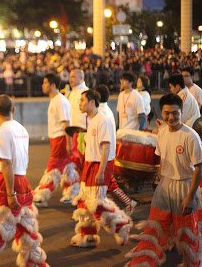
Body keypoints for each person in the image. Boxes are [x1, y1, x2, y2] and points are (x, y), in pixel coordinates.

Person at [0, 94, 47, 267]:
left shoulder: (1, 132)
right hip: (23, 183)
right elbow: (7, 157)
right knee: (27, 231)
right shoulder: (21, 130)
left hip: (6, 185)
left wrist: (10, 194)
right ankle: (34, 262)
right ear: (13, 109)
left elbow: (6, 163)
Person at [126, 93, 202, 266]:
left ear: (181, 112)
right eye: (167, 113)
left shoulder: (190, 136)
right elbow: (162, 159)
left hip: (185, 186)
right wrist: (159, 180)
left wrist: (190, 197)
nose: (171, 117)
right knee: (155, 225)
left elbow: (199, 167)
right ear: (161, 112)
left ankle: (192, 263)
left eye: (175, 113)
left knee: (187, 230)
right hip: (164, 186)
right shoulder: (161, 133)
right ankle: (146, 260)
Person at [71, 89, 132, 247]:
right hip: (90, 165)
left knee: (97, 203)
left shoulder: (102, 120)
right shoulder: (93, 119)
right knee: (85, 202)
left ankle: (121, 225)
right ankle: (88, 236)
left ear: (92, 102)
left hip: (99, 165)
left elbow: (106, 147)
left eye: (82, 101)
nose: (80, 104)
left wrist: (100, 171)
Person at [34, 73, 80, 207]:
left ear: (53, 85)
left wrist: (69, 142)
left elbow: (66, 123)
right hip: (56, 138)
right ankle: (72, 191)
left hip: (60, 139)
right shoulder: (56, 100)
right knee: (67, 167)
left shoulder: (60, 101)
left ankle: (42, 195)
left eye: (45, 83)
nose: (43, 85)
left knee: (53, 167)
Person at [96, 85, 137, 216]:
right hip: (105, 154)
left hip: (104, 155)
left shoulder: (102, 113)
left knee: (109, 183)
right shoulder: (105, 110)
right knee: (106, 184)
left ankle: (128, 203)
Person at [67, 69, 89, 170]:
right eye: (70, 76)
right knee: (75, 164)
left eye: (73, 77)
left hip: (84, 133)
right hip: (73, 133)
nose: (70, 79)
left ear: (81, 78)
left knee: (85, 162)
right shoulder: (71, 93)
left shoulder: (87, 93)